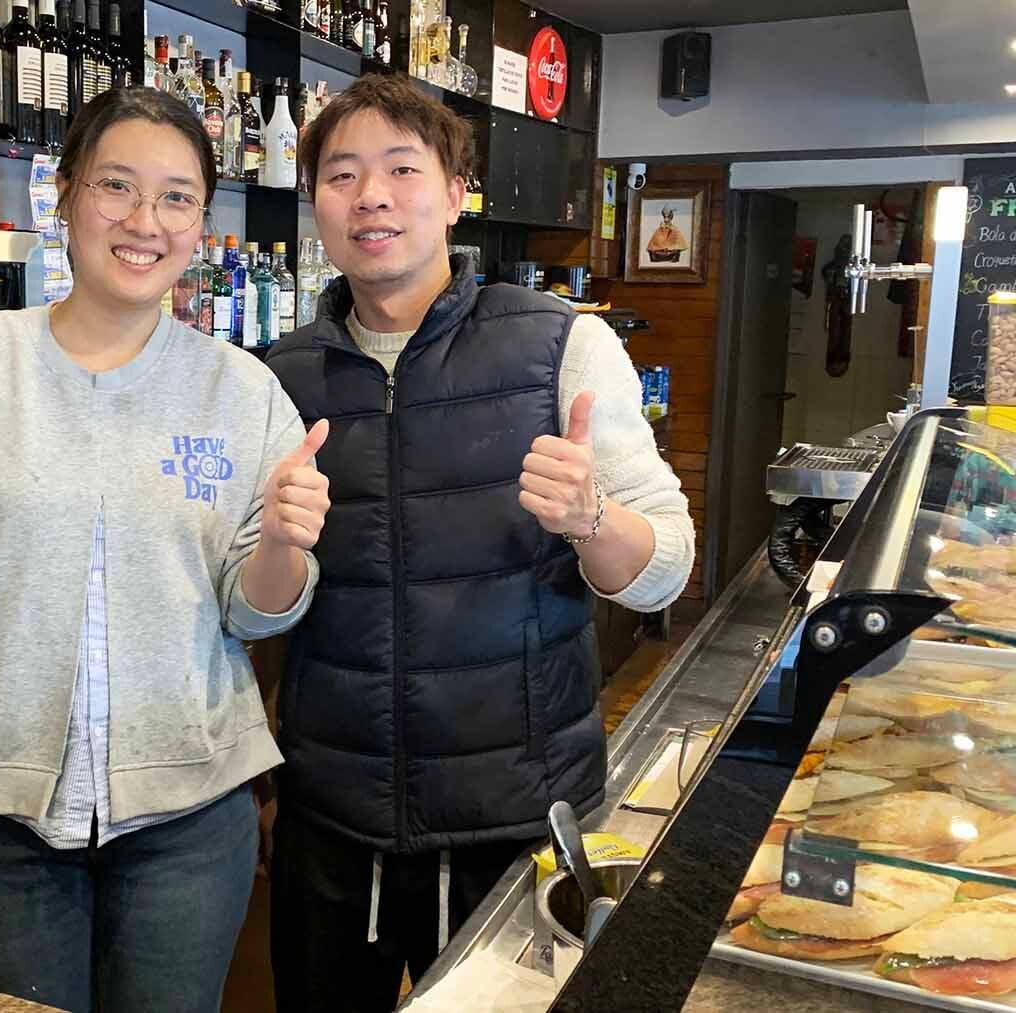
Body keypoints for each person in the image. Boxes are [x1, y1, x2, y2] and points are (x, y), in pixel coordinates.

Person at [0, 87, 331, 1013]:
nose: (145, 222)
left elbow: (255, 609)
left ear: (200, 221)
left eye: (179, 197)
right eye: (117, 186)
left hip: (190, 816)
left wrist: (289, 541)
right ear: (62, 194)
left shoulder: (242, 391)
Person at [264, 75, 695, 1012]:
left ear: (457, 192)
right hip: (333, 822)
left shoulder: (561, 347)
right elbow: (262, 597)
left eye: (401, 169)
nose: (371, 195)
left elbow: (664, 567)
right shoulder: (282, 375)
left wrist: (589, 517)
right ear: (317, 207)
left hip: (517, 819)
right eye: (341, 175)